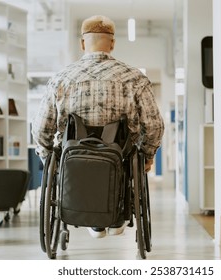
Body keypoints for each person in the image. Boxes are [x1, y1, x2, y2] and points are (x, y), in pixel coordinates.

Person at [31, 15, 164, 238]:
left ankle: (90, 219)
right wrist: (148, 154)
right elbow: (154, 125)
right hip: (119, 154)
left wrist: (48, 158)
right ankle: (116, 215)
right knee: (129, 156)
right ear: (112, 43)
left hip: (72, 158)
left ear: (82, 43)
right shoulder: (135, 78)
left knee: (63, 155)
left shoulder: (61, 79)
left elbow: (42, 128)